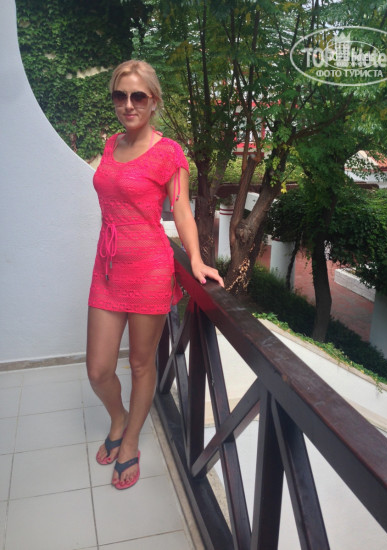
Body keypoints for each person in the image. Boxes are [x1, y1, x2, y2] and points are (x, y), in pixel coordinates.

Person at [86, 60, 224, 490]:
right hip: (108, 266)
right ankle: (119, 417)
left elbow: (181, 210)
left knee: (141, 363)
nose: (128, 104)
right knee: (98, 369)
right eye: (120, 95)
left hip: (149, 268)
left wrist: (196, 259)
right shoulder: (111, 144)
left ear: (153, 101)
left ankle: (130, 441)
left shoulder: (169, 153)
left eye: (138, 96)